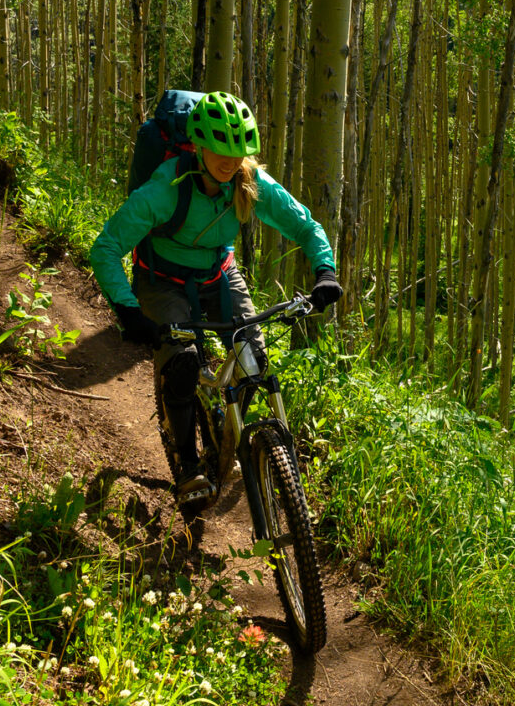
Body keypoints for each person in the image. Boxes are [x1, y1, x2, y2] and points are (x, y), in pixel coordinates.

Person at [89, 91, 340, 501]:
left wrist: (324, 271)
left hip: (218, 276)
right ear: (198, 146)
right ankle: (188, 465)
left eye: (238, 151)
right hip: (162, 280)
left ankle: (230, 436)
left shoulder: (249, 182)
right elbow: (106, 248)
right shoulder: (165, 188)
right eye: (219, 150)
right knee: (184, 364)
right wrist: (128, 310)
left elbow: (304, 225)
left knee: (252, 362)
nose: (229, 160)